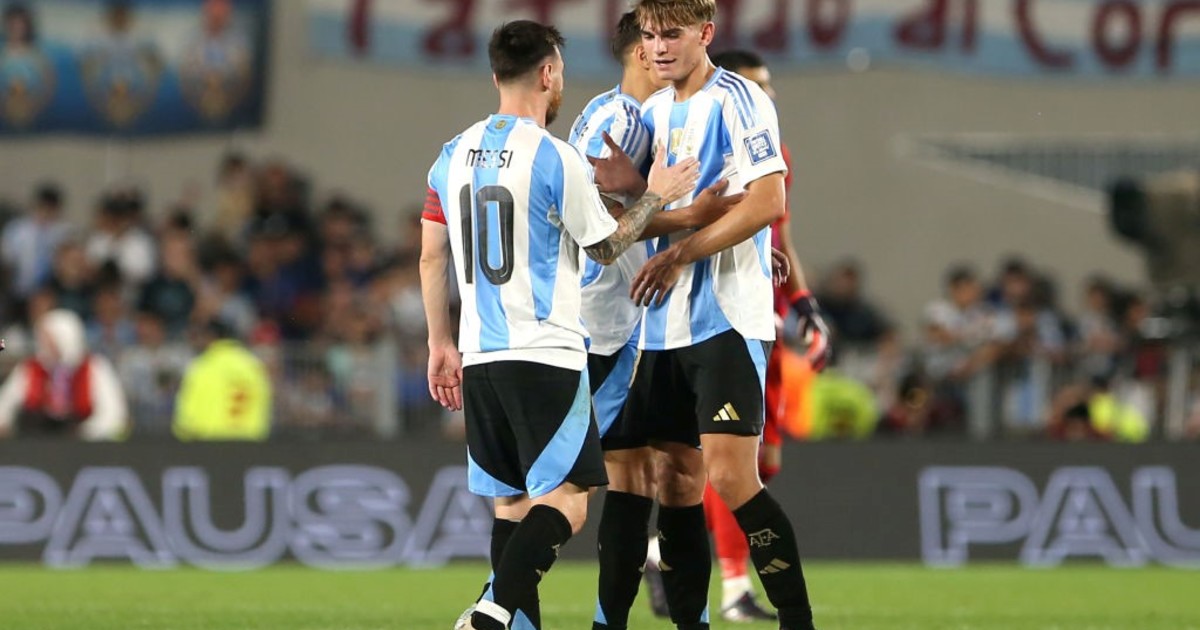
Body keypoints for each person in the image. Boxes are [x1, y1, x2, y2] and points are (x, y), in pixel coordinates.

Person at [419, 20, 699, 630]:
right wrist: (656, 194)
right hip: (545, 351)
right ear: (548, 74)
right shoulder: (554, 155)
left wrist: (440, 343)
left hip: (480, 355)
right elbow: (606, 246)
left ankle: (509, 622)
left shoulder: (451, 154)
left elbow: (431, 256)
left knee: (511, 506)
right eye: (562, 72)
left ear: (496, 74)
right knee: (568, 503)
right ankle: (491, 611)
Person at [595, 2, 821, 628]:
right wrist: (633, 197)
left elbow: (767, 201)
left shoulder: (740, 99)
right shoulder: (654, 112)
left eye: (672, 34)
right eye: (650, 36)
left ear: (705, 34)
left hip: (725, 318)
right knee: (675, 480)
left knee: (730, 477)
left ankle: (797, 618)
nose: (659, 48)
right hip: (659, 325)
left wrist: (684, 253)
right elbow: (638, 223)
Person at [667, 46, 829, 623]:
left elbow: (779, 230)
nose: (767, 95)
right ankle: (732, 585)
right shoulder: (695, 133)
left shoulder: (773, 149)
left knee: (755, 463)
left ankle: (680, 559)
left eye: (768, 85)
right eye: (756, 84)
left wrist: (803, 301)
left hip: (761, 315)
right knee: (714, 465)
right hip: (704, 319)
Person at [0, 309, 128, 440]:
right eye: (43, 339)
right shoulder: (30, 369)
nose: (45, 345)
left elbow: (114, 415)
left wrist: (83, 434)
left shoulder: (95, 368)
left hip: (83, 442)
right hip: (36, 440)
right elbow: (5, 405)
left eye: (51, 340)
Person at [173, 319, 271, 441]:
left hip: (211, 444)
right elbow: (264, 406)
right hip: (251, 444)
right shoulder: (253, 365)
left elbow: (186, 417)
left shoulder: (203, 366)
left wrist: (183, 435)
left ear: (210, 337)